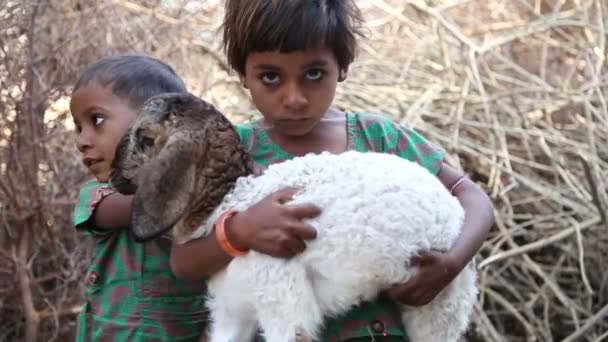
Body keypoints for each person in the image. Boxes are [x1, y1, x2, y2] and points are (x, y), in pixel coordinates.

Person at [70, 55, 207, 341]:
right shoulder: (99, 194)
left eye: (96, 120)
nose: (82, 139)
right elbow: (141, 208)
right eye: (78, 127)